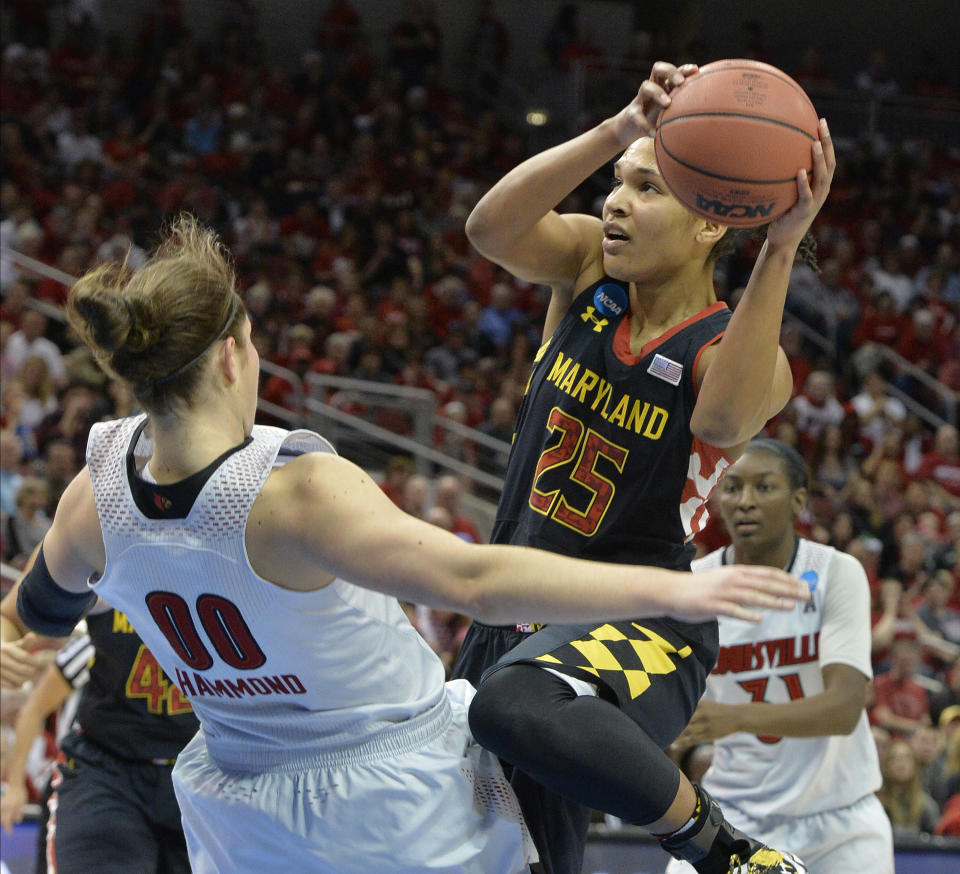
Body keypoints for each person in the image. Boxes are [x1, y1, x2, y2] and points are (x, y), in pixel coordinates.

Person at [0, 215, 808, 874]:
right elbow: (477, 583)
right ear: (232, 355)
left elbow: (31, 612)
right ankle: (718, 848)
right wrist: (674, 591)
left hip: (242, 819)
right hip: (392, 803)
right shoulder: (292, 492)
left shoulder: (92, 498)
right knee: (527, 725)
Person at [451, 59, 835, 874]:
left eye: (647, 189)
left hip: (641, 624)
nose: (616, 201)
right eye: (614, 185)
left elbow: (728, 419)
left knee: (515, 703)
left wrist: (782, 244)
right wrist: (621, 128)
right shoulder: (589, 268)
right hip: (510, 622)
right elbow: (489, 231)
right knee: (497, 854)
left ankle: (727, 852)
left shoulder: (735, 352)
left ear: (707, 223)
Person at [665, 439, 894, 874]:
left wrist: (737, 717)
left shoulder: (836, 571)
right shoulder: (692, 584)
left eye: (764, 487)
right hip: (732, 814)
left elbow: (844, 709)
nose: (746, 502)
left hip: (839, 819)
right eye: (732, 488)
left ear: (798, 500)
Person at [1, 607, 197, 874]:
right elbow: (34, 708)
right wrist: (14, 787)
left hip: (188, 776)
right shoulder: (92, 643)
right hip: (103, 767)